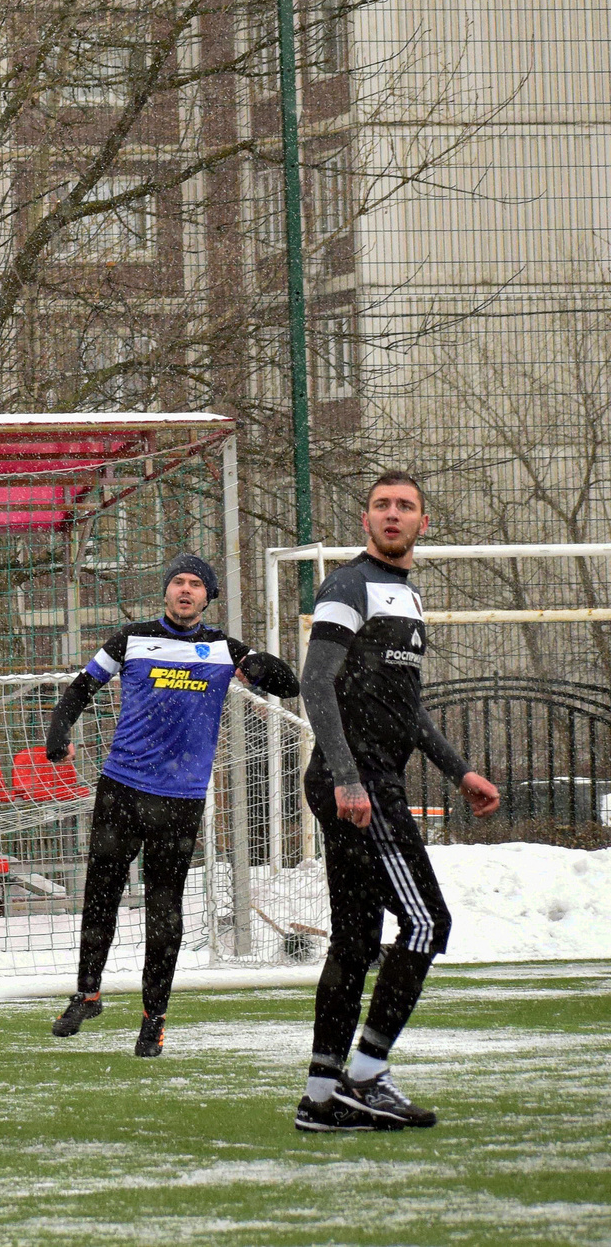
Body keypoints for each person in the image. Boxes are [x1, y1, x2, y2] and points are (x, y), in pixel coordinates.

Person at [292, 470, 501, 1132]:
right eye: (382, 504)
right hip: (357, 784)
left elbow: (405, 710)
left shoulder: (407, 598)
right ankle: (367, 1073)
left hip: (366, 780)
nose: (392, 513)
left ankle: (321, 1098)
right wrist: (350, 777)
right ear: (365, 519)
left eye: (405, 505)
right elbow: (316, 683)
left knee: (356, 941)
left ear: (422, 522)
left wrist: (460, 770)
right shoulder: (349, 585)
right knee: (427, 922)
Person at [42, 554, 301, 1056]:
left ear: (208, 597)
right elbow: (80, 689)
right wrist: (58, 732)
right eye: (178, 582)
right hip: (121, 789)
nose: (186, 590)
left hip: (179, 800)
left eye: (195, 585)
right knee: (100, 896)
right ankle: (87, 993)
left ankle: (153, 1018)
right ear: (165, 592)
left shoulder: (226, 650)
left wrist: (262, 668)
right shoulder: (130, 638)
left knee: (165, 910)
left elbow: (288, 686)